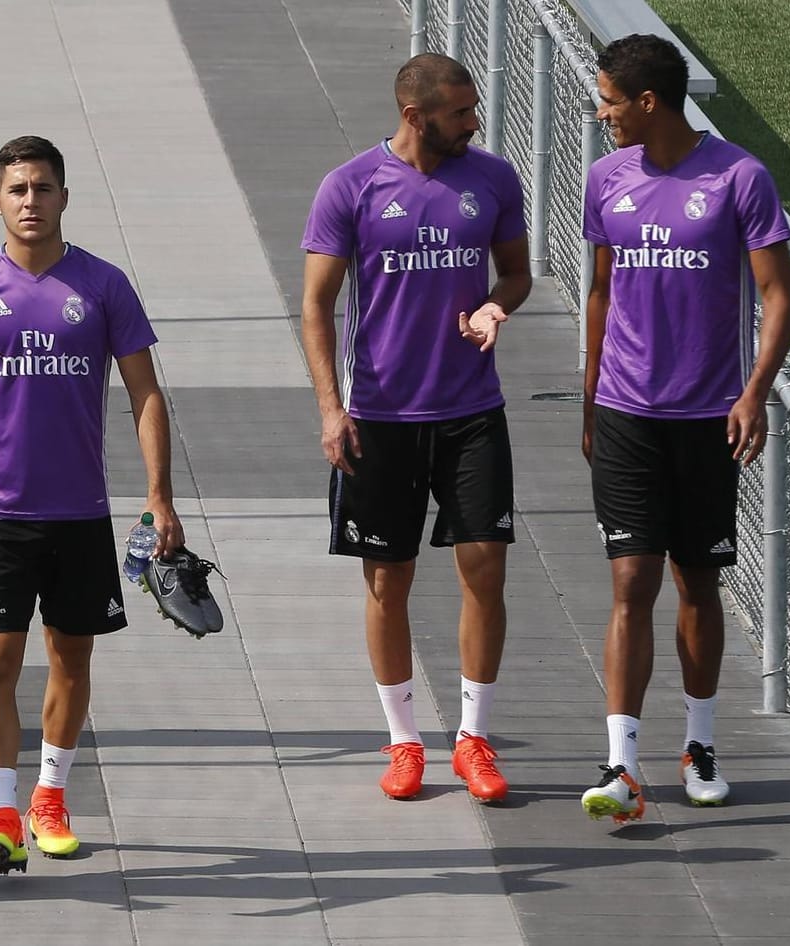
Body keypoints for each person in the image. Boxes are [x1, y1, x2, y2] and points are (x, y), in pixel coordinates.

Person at [0, 135, 183, 872]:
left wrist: (159, 496)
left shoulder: (102, 286)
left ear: (64, 197)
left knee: (70, 659)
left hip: (78, 515)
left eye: (42, 188)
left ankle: (50, 795)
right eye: (17, 190)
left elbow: (145, 392)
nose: (30, 201)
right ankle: (3, 813)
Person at [299, 53, 531, 804]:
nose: (474, 123)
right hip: (381, 418)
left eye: (472, 110)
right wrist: (332, 408)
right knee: (388, 580)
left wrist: (499, 304)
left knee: (485, 569)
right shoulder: (351, 187)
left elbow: (517, 273)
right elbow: (317, 305)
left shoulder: (493, 179)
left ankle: (473, 738)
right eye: (460, 113)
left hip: (472, 413)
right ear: (414, 115)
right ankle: (403, 741)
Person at [579, 34, 790, 822]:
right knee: (630, 579)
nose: (600, 112)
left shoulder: (741, 177)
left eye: (608, 98)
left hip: (709, 417)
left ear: (647, 101)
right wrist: (589, 395)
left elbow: (777, 295)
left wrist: (753, 393)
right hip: (627, 412)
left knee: (696, 581)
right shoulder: (607, 177)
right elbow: (601, 291)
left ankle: (700, 745)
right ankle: (623, 763)